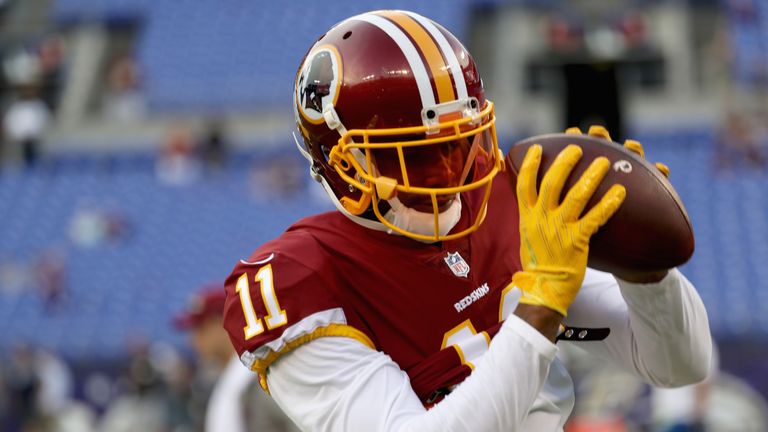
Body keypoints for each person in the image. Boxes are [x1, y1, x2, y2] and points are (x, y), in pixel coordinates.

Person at [221, 10, 712, 431]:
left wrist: (643, 267)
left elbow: (678, 364)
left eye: (455, 145)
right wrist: (539, 308)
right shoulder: (301, 281)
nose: (447, 176)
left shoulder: (511, 191)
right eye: (415, 156)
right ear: (341, 162)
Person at [175, 284, 298, 432]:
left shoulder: (258, 375)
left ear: (221, 322)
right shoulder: (233, 377)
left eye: (200, 329)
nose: (193, 340)